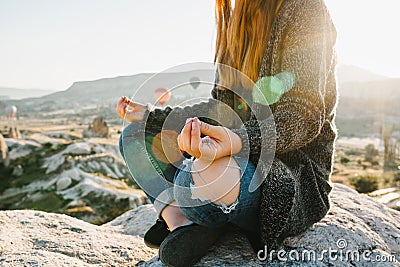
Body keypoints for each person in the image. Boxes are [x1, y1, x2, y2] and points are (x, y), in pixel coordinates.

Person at [116, 0, 337, 265]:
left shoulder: (304, 7)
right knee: (134, 135)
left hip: (285, 174)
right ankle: (182, 225)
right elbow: (220, 109)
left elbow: (304, 115)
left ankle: (210, 210)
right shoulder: (233, 19)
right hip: (229, 158)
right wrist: (154, 117)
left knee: (202, 175)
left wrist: (236, 141)